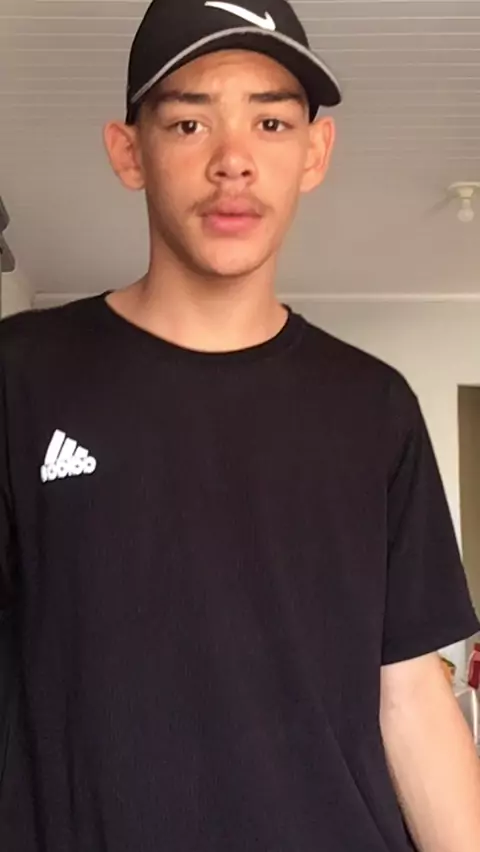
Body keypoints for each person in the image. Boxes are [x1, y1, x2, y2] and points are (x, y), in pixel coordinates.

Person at [1, 0, 480, 848]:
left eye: (270, 122)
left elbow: (410, 697)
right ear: (128, 151)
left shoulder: (374, 408)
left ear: (315, 152)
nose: (233, 161)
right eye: (189, 123)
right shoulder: (23, 377)